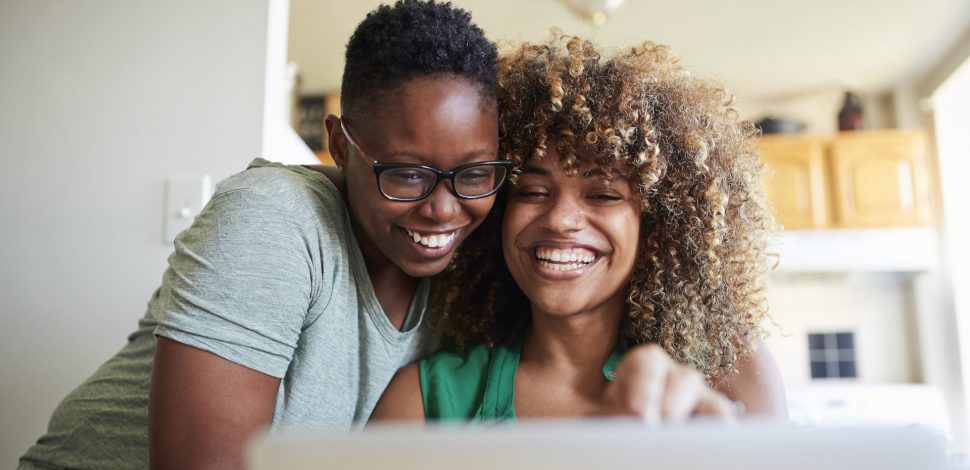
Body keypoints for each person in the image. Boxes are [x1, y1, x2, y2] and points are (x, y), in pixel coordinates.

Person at [19, 2, 508, 469]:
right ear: (340, 145)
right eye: (406, 174)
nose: (443, 210)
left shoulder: (468, 273)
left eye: (474, 173)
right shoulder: (273, 218)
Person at [370, 34, 787, 423]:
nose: (559, 219)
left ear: (658, 222)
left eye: (603, 195)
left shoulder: (729, 373)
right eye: (532, 191)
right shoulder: (424, 402)